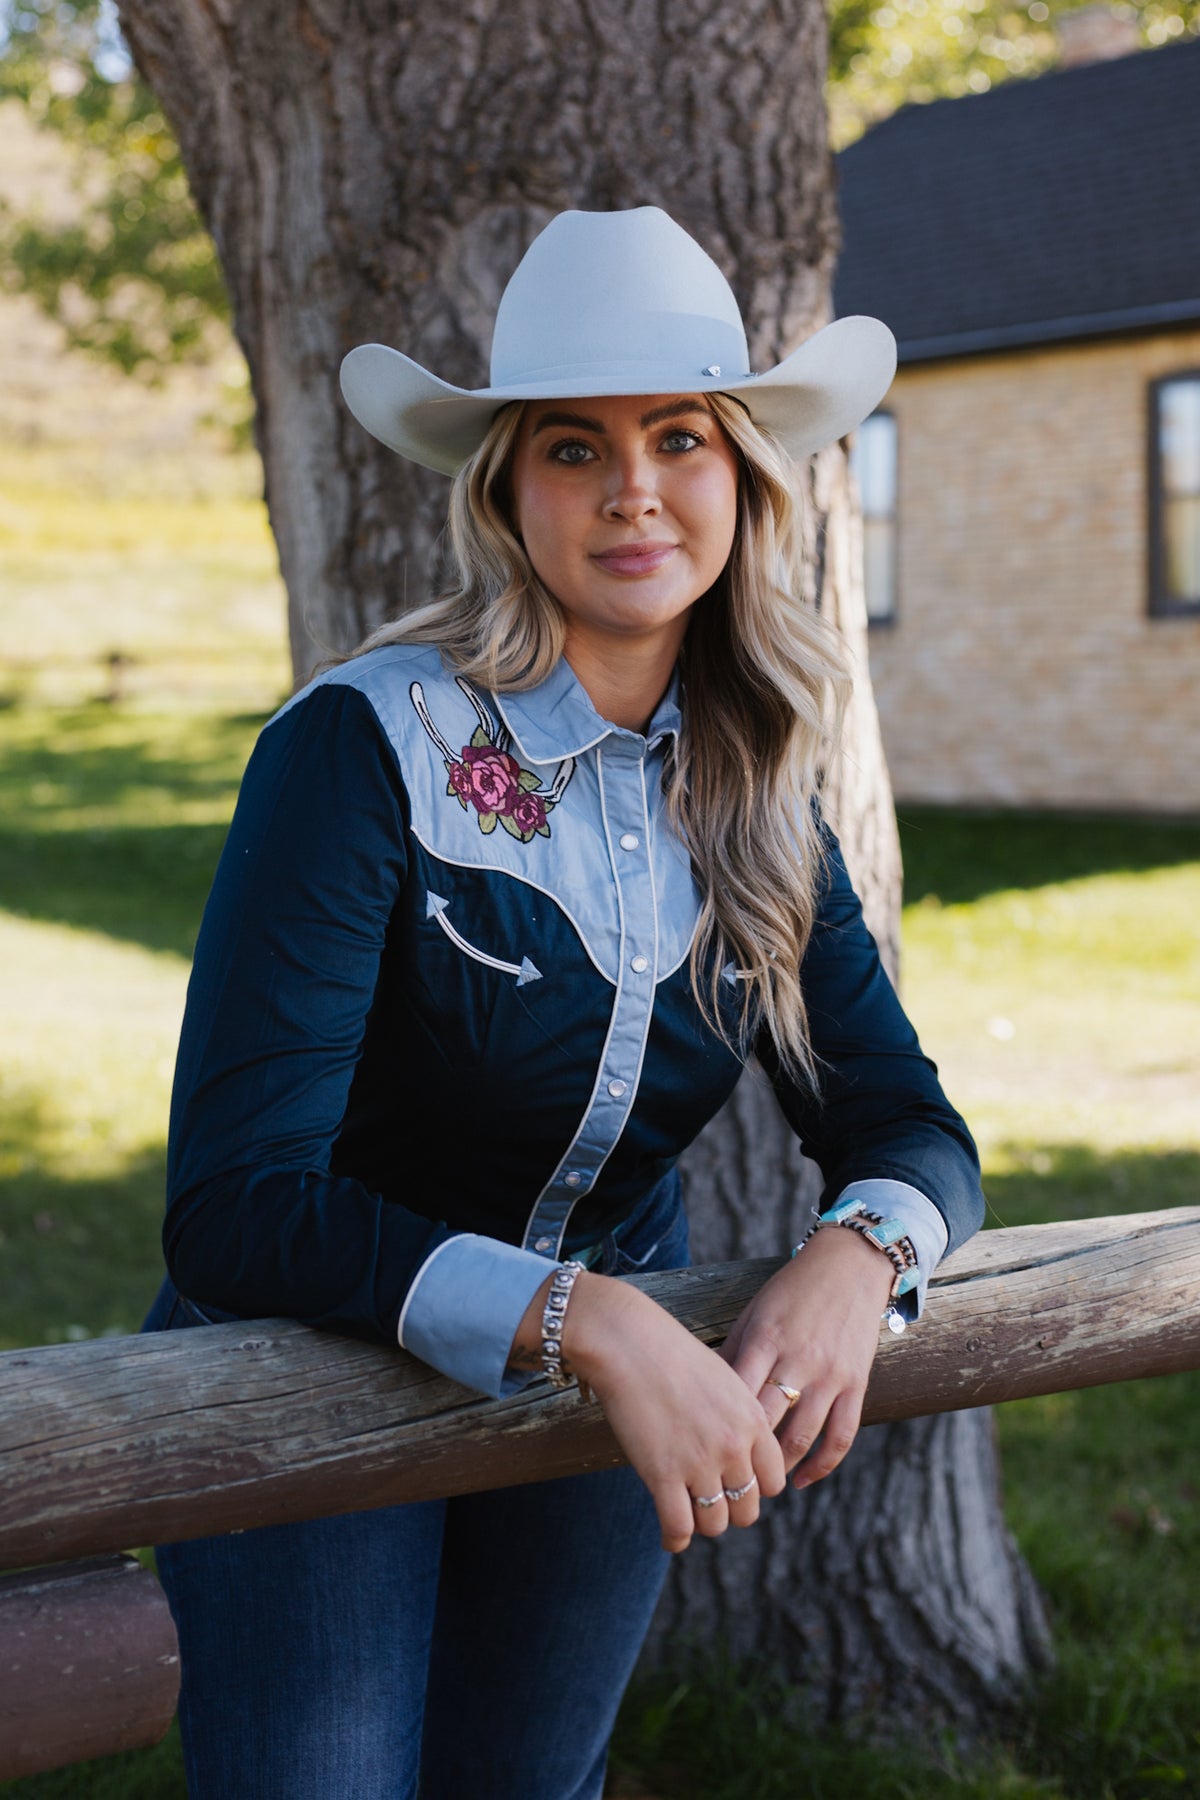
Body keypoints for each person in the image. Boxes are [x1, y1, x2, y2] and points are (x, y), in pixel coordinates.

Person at [143, 206, 984, 1799]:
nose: (636, 492)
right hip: (306, 1363)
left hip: (610, 1378)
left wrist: (858, 1258)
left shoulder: (756, 795)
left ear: (743, 476)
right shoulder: (364, 749)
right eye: (574, 450)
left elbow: (906, 1119)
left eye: (680, 437)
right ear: (507, 492)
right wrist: (580, 1314)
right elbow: (238, 1204)